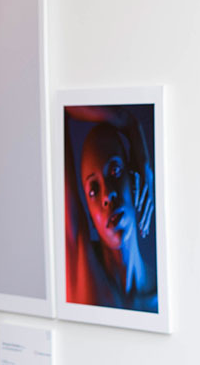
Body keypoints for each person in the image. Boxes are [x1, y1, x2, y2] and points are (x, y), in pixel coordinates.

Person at [66, 110, 157, 313]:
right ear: (89, 213)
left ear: (135, 180)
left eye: (115, 171)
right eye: (94, 190)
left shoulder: (162, 297)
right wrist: (130, 123)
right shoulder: (80, 266)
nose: (107, 195)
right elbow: (58, 110)